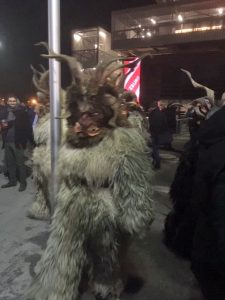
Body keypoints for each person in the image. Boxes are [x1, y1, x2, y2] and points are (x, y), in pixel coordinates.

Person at [1, 95, 34, 191]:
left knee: (20, 163)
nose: (12, 102)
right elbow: (3, 124)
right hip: (7, 141)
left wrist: (30, 141)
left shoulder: (22, 112)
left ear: (17, 102)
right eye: (10, 101)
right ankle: (12, 181)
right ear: (7, 102)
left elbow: (28, 127)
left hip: (18, 141)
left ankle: (23, 183)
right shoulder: (5, 112)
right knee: (10, 163)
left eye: (13, 101)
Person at [148, 100, 168, 169]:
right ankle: (154, 161)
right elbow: (165, 123)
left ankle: (157, 163)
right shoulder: (161, 113)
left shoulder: (152, 114)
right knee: (156, 148)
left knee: (155, 148)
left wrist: (151, 131)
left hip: (154, 133)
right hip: (159, 133)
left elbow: (151, 124)